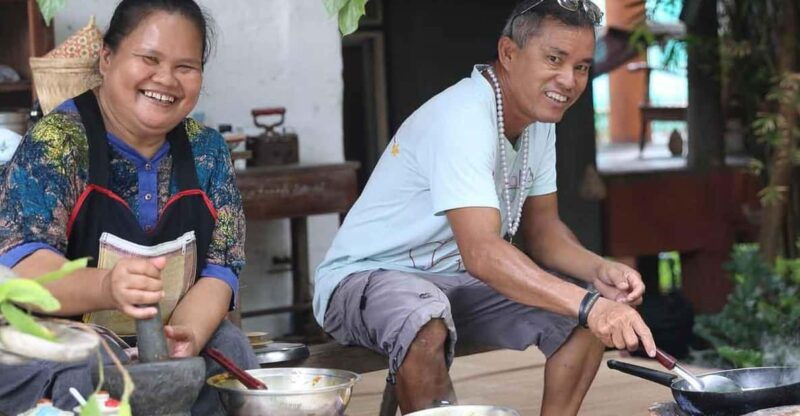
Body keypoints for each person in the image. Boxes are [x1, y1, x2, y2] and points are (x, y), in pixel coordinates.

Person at [314, 0, 658, 414]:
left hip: (453, 283)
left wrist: (597, 271)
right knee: (426, 319)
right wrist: (590, 304)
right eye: (554, 59)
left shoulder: (539, 122)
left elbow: (545, 232)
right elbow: (481, 252)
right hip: (365, 278)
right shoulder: (462, 116)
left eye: (582, 67)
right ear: (509, 54)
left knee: (584, 319)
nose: (568, 80)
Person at [0, 0, 257, 414]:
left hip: (159, 332)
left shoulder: (208, 152)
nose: (166, 79)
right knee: (90, 361)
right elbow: (27, 271)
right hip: (52, 340)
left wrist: (184, 335)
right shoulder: (57, 143)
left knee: (227, 346)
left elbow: (218, 271)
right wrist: (106, 287)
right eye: (149, 59)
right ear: (107, 57)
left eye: (185, 67)